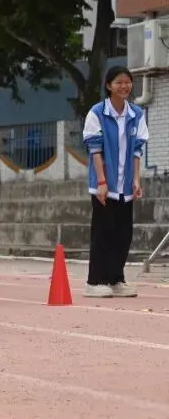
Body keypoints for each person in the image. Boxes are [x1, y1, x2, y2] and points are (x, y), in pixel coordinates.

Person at [82, 65, 148, 298]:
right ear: (109, 86)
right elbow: (95, 149)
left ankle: (116, 279)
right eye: (119, 82)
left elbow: (138, 151)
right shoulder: (97, 113)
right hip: (105, 186)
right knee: (103, 233)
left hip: (126, 186)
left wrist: (137, 180)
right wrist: (101, 181)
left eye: (127, 82)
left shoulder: (136, 115)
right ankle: (94, 281)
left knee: (123, 234)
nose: (124, 86)